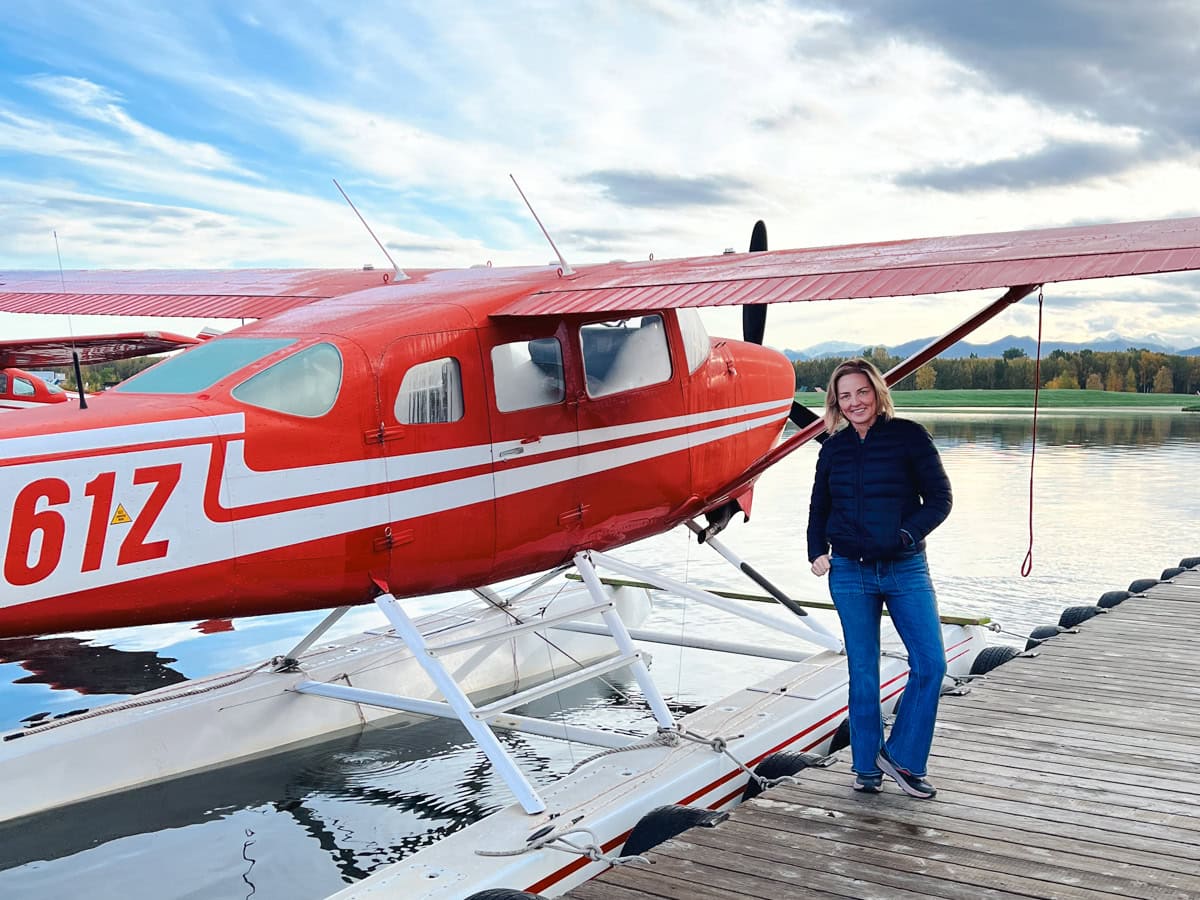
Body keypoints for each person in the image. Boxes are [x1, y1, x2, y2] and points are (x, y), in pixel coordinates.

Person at [806, 358, 952, 799]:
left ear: (877, 392)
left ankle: (903, 758)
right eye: (845, 396)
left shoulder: (909, 436)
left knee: (931, 664)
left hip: (905, 568)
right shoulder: (833, 447)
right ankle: (866, 766)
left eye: (861, 392)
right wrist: (816, 551)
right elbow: (819, 507)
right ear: (836, 402)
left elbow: (940, 500)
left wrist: (905, 534)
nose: (855, 403)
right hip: (849, 572)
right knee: (862, 670)